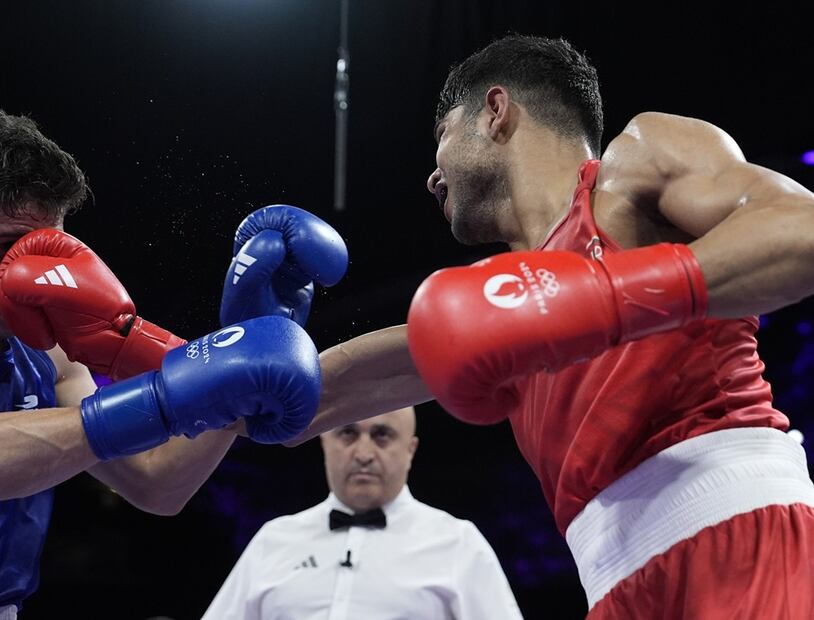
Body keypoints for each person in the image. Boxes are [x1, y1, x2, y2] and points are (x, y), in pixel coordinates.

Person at [221, 36, 814, 618]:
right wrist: (230, 356)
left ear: (495, 111)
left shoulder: (632, 170)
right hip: (616, 588)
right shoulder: (492, 314)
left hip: (744, 537)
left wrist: (606, 296)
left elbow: (803, 229)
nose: (432, 175)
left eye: (441, 138)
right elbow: (281, 410)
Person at [0, 106, 332, 618]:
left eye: (43, 248)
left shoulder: (45, 349)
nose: (21, 273)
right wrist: (166, 396)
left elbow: (155, 485)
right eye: (5, 246)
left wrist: (237, 373)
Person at [201, 406, 522, 619]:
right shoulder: (274, 540)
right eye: (348, 434)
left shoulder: (457, 542)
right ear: (324, 442)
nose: (364, 453)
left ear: (410, 451)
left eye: (382, 436)